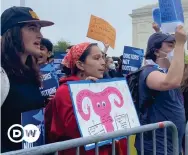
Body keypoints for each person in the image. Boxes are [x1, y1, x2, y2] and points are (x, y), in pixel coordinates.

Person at [45, 42, 127, 155]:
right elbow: (74, 130)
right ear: (80, 65)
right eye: (97, 58)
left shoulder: (101, 86)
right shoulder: (64, 91)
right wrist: (84, 92)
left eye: (103, 58)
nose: (103, 63)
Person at [1, 6, 54, 152]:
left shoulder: (30, 74)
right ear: (13, 33)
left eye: (39, 29)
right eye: (32, 28)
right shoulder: (2, 75)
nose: (40, 36)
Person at [134, 25, 187, 155]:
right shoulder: (148, 72)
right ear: (156, 51)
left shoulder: (167, 71)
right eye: (170, 45)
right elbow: (170, 82)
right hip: (156, 144)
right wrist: (180, 44)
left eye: (174, 45)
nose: (174, 49)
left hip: (172, 141)